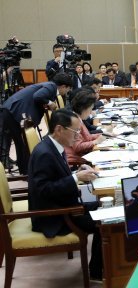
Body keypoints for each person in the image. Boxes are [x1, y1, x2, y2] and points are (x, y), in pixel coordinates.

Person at [27, 108, 102, 280]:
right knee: (104, 221)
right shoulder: (44, 153)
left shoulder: (54, 145)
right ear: (59, 129)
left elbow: (55, 176)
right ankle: (97, 272)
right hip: (54, 215)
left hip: (65, 205)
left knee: (106, 206)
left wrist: (77, 171)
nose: (78, 136)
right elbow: (43, 190)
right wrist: (75, 177)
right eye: (75, 131)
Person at [1, 73, 72, 174]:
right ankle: (25, 170)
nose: (67, 92)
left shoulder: (49, 86)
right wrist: (49, 103)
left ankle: (24, 168)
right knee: (21, 141)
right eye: (68, 89)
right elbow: (38, 96)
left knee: (20, 142)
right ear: (64, 86)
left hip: (13, 110)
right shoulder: (51, 87)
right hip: (13, 110)